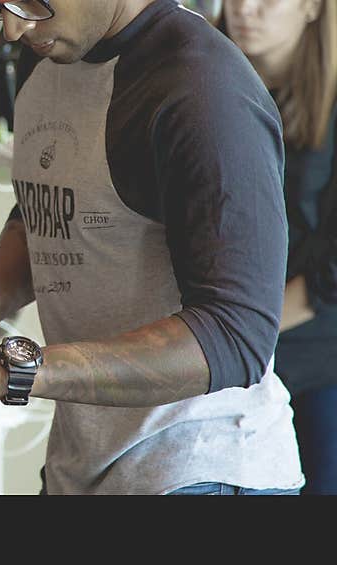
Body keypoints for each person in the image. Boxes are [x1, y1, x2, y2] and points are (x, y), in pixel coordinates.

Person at [0, 0, 305, 495]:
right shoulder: (49, 50)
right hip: (83, 467)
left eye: (30, 4)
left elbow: (237, 334)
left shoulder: (201, 88)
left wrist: (15, 369)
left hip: (202, 469)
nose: (12, 28)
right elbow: (45, 216)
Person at [222, 0, 337, 495]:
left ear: (313, 7)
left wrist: (238, 332)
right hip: (232, 361)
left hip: (315, 362)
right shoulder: (211, 88)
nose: (245, 9)